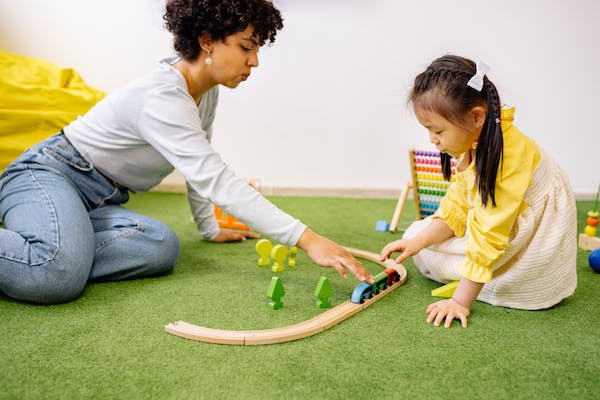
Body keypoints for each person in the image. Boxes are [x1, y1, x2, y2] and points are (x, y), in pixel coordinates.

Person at [0, 0, 372, 305]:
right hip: (46, 174)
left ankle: (62, 251)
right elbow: (216, 179)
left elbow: (200, 161)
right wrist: (308, 239)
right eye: (246, 47)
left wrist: (209, 228)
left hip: (96, 201)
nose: (255, 61)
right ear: (208, 39)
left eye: (257, 49)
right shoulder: (162, 96)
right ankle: (58, 259)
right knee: (56, 276)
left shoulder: (205, 91)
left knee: (162, 247)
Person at [380, 55, 577, 328]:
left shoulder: (506, 157)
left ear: (476, 117)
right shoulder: (474, 142)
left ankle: (488, 283)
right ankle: (468, 272)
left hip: (530, 241)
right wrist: (418, 242)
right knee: (416, 237)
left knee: (436, 256)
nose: (432, 140)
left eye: (437, 130)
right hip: (499, 226)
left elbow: (490, 235)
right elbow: (458, 205)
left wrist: (460, 302)